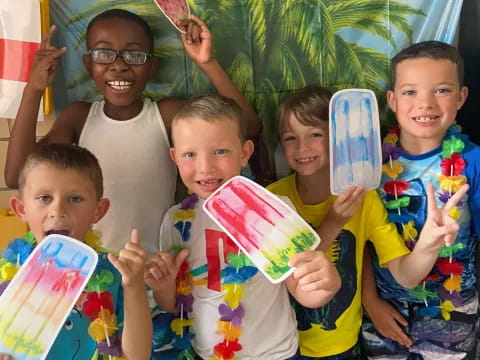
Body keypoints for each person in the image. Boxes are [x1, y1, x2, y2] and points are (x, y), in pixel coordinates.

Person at [4, 9, 261, 255]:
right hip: (94, 279)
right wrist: (34, 89)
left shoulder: (166, 114)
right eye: (104, 54)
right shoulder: (79, 117)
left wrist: (207, 63)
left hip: (159, 274)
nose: (119, 65)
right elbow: (17, 176)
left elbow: (247, 129)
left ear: (152, 67)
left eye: (134, 55)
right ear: (87, 64)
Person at [266, 85, 468, 359]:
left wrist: (429, 244)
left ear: (339, 138)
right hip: (281, 346)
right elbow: (287, 266)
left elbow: (405, 275)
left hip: (341, 345)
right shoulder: (272, 197)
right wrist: (335, 221)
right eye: (291, 138)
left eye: (315, 134)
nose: (302, 147)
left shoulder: (364, 198)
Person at [144, 94, 341, 360]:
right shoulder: (175, 221)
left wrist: (324, 285)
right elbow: (174, 305)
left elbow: (303, 292)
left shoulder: (272, 209)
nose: (205, 167)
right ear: (175, 158)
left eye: (220, 151)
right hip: (208, 354)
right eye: (190, 154)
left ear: (245, 153)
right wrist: (163, 286)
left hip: (275, 355)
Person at [361, 41, 480, 359]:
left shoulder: (472, 161)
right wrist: (370, 302)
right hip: (384, 309)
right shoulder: (369, 162)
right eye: (411, 92)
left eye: (441, 90)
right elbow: (358, 241)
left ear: (461, 97)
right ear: (393, 100)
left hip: (452, 310)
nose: (424, 104)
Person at [0, 143, 152, 360]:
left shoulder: (118, 275)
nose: (58, 211)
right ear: (21, 209)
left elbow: (137, 357)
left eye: (74, 199)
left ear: (98, 211)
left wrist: (134, 286)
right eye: (44, 198)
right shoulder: (6, 275)